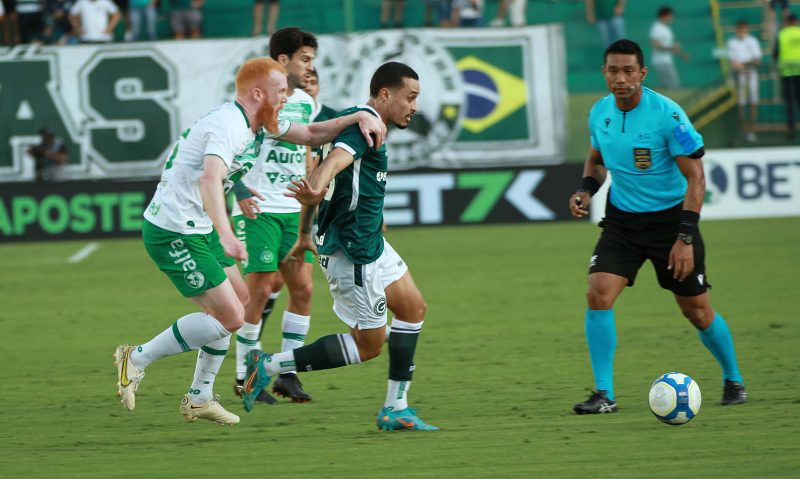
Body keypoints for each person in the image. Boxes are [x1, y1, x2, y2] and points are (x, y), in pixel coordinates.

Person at [113, 56, 386, 425]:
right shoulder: (229, 125)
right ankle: (137, 357)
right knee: (230, 316)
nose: (287, 97)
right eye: (280, 91)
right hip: (174, 231)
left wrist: (359, 115)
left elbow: (309, 134)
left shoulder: (258, 123)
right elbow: (210, 179)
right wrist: (227, 235)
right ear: (258, 94)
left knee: (239, 304)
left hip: (197, 228)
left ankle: (199, 397)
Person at [241, 61, 438, 432]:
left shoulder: (353, 118)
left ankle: (396, 408)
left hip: (371, 243)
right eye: (409, 98)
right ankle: (267, 365)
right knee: (368, 347)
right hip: (354, 253)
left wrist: (304, 232)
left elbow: (325, 157)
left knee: (413, 308)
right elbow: (335, 160)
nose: (414, 106)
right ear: (384, 95)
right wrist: (317, 183)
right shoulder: (366, 126)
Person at [567, 39, 747, 415]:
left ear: (642, 73)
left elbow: (695, 177)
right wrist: (586, 189)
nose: (621, 78)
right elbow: (596, 160)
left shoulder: (668, 115)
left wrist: (685, 238)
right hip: (622, 222)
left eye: (629, 71)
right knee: (598, 291)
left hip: (671, 224)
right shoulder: (599, 113)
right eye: (613, 70)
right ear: (604, 73)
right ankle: (604, 394)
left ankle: (733, 378)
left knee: (697, 311)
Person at [230, 27, 319, 405]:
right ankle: (243, 375)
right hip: (261, 210)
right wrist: (238, 190)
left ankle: (287, 374)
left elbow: (309, 150)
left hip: (292, 210)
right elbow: (231, 150)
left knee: (304, 290)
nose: (310, 67)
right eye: (305, 59)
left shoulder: (308, 103)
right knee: (262, 290)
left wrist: (313, 192)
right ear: (283, 61)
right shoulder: (254, 102)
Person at [727, 20, 763, 143]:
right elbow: (733, 62)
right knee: (741, 103)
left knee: (753, 102)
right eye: (739, 30)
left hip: (751, 75)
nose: (741, 32)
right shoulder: (732, 42)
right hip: (739, 76)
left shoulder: (752, 41)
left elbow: (757, 60)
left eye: (743, 30)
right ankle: (744, 129)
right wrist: (741, 65)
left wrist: (743, 64)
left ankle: (752, 130)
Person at [649, 6, 689, 89]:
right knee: (673, 83)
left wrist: (682, 55)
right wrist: (671, 47)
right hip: (661, 61)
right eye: (670, 16)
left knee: (665, 85)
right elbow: (655, 45)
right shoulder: (656, 28)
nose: (672, 18)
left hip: (667, 60)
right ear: (664, 15)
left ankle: (653, 99)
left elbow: (670, 47)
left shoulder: (666, 29)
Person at [774, 12, 800, 140]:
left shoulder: (782, 34)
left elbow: (775, 53)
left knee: (790, 103)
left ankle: (791, 131)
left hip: (787, 73)